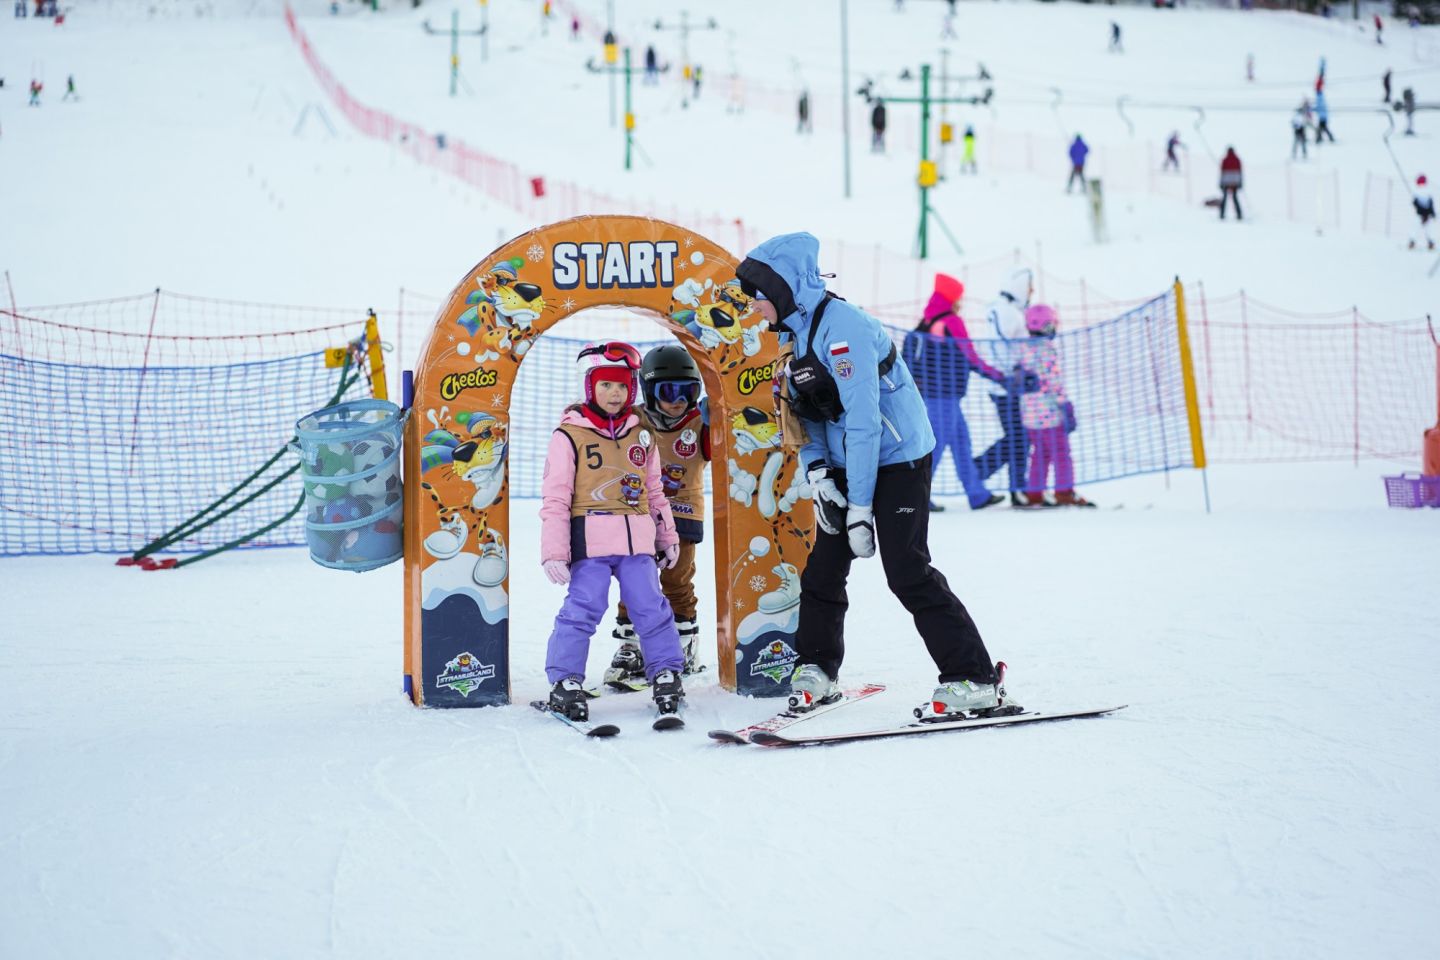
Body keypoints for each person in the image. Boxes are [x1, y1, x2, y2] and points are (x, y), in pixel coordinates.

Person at [735, 233, 1007, 718]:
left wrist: (860, 507)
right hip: (846, 460)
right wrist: (820, 474)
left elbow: (864, 421)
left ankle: (975, 676)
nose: (753, 306)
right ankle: (817, 668)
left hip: (898, 457)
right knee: (823, 570)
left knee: (907, 571)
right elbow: (803, 415)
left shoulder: (845, 329)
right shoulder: (792, 336)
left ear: (783, 289)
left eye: (758, 295)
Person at [538, 341, 686, 722]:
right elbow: (556, 498)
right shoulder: (569, 435)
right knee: (583, 607)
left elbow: (655, 491)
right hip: (591, 542)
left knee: (650, 606)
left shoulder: (642, 435)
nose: (614, 393)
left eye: (622, 385)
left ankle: (666, 672)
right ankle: (565, 679)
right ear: (590, 386)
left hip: (637, 544)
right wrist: (554, 551)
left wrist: (667, 535)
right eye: (605, 385)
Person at [606, 345, 710, 683]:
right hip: (638, 514)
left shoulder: (700, 422)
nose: (678, 400)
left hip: (683, 514)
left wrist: (720, 417)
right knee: (634, 581)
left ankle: (683, 643)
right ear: (650, 391)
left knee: (677, 581)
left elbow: (725, 447)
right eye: (668, 392)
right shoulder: (634, 419)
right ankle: (631, 645)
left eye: (687, 391)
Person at [903, 273, 1007, 513]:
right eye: (959, 297)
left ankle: (977, 495)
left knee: (961, 443)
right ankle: (919, 495)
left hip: (936, 394)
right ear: (951, 298)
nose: (961, 301)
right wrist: (999, 376)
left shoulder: (928, 320)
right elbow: (971, 356)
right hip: (945, 396)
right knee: (936, 446)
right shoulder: (951, 321)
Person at [1014, 305, 1094, 508]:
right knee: (1061, 452)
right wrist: (1065, 405)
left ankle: (1034, 493)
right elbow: (1053, 381)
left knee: (1040, 453)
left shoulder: (1023, 348)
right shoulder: (1046, 349)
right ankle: (1064, 491)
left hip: (1029, 413)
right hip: (1048, 412)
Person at [975, 269, 1035, 503]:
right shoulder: (1008, 313)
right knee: (1020, 438)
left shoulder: (1001, 309)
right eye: (1029, 287)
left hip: (1006, 384)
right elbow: (999, 347)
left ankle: (1012, 484)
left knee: (1019, 437)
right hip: (1006, 387)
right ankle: (985, 471)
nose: (1032, 291)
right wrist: (1009, 375)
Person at [1411, 174, 1436, 251]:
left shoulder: (1416, 191)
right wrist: (1432, 213)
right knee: (1427, 229)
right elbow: (1430, 204)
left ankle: (1412, 242)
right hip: (1426, 215)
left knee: (1416, 228)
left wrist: (1423, 213)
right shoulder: (1428, 191)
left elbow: (1415, 203)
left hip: (1420, 214)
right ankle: (1430, 243)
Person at [1219, 146, 1243, 220]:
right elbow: (1240, 172)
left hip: (1225, 181)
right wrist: (1240, 182)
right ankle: (1239, 214)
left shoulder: (1225, 160)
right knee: (1235, 198)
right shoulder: (1237, 160)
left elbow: (1222, 172)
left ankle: (1222, 214)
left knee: (1224, 198)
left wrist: (1221, 183)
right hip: (1235, 181)